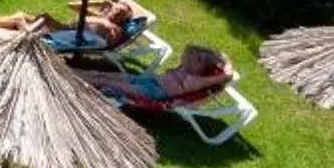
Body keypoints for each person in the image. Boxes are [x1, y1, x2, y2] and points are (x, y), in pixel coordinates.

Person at [0, 0, 148, 54]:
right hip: (67, 30)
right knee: (22, 15)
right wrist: (99, 2)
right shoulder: (98, 17)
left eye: (120, 11)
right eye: (114, 7)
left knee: (31, 19)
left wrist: (108, 23)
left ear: (123, 18)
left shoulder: (114, 28)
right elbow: (72, 5)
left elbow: (110, 42)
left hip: (69, 35)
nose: (114, 10)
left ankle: (24, 32)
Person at [93, 46, 233, 111]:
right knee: (101, 74)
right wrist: (204, 54)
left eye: (199, 58)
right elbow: (188, 49)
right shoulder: (185, 67)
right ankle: (73, 73)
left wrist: (225, 63)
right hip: (149, 80)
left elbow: (228, 75)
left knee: (104, 81)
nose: (192, 58)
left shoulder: (198, 81)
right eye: (195, 56)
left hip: (153, 91)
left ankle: (74, 80)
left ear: (205, 67)